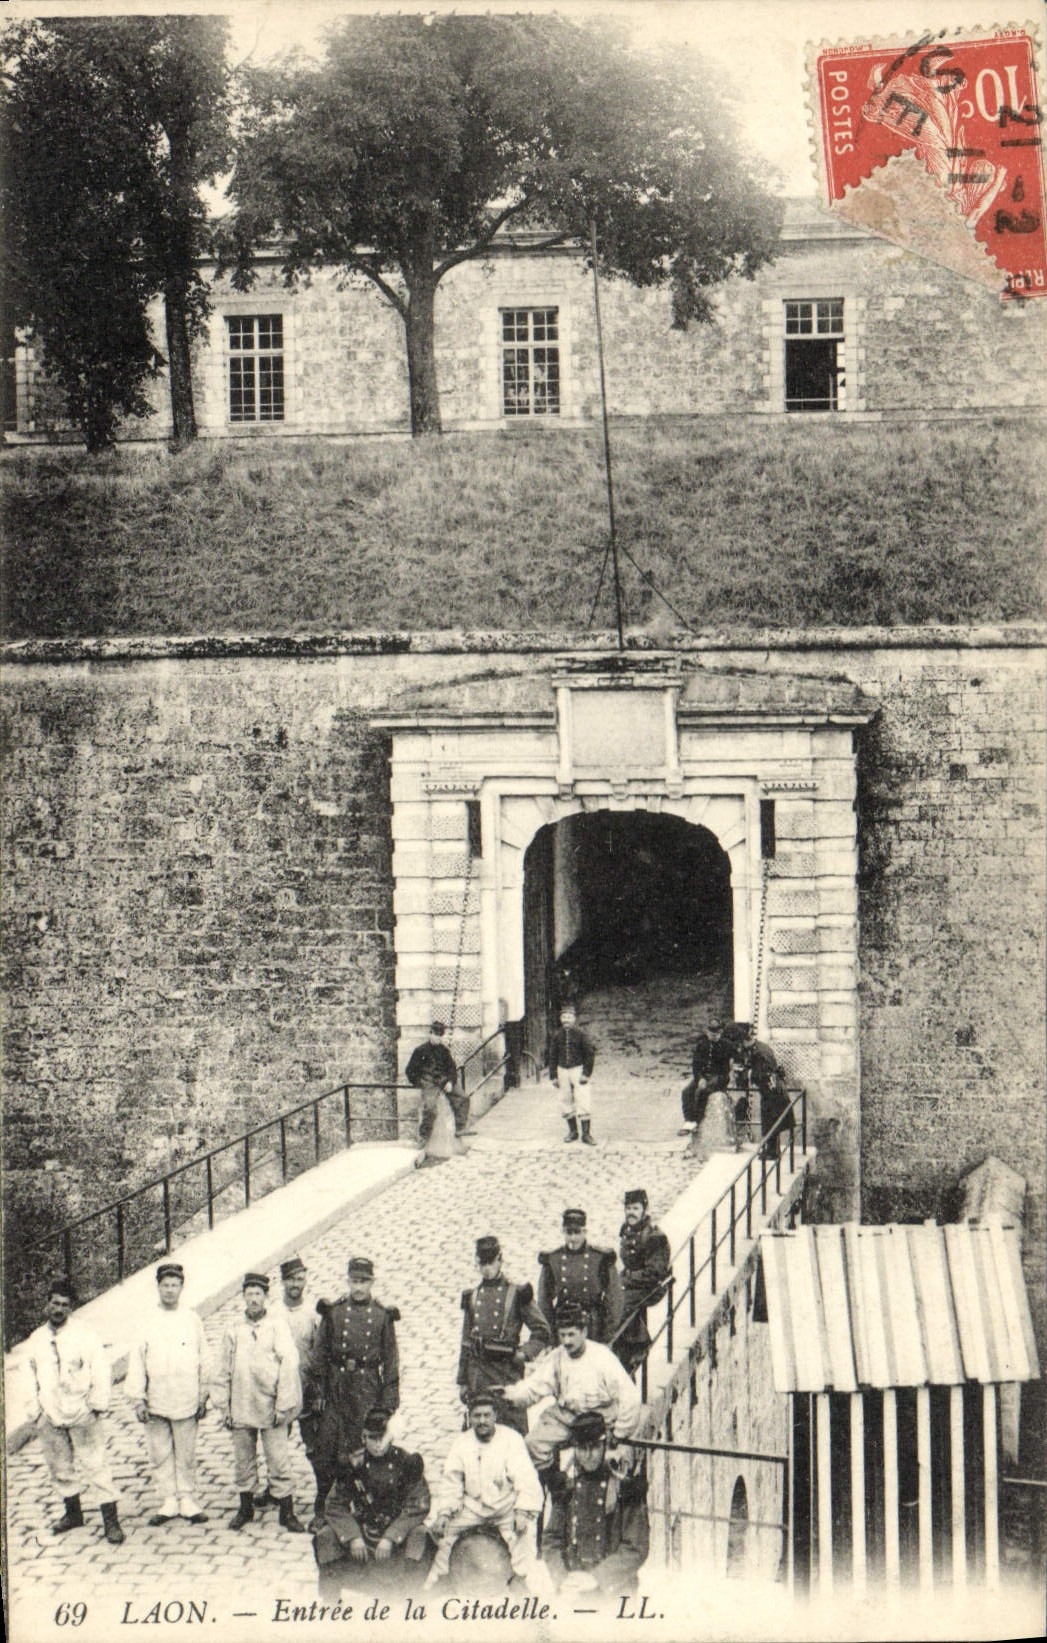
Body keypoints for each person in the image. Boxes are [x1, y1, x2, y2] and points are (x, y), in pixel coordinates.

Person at [24, 1278, 126, 1545]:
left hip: (81, 1412)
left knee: (96, 1464)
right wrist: (36, 1413)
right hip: (51, 1413)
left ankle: (111, 1521)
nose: (59, 1309)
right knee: (60, 1466)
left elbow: (101, 1371)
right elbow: (28, 1378)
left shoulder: (84, 1335)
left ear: (71, 1308)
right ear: (46, 1304)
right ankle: (73, 1513)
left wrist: (96, 1404)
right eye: (55, 1303)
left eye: (65, 1305)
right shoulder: (36, 1339)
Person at [497, 1302, 643, 1476]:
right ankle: (557, 1488)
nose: (567, 1341)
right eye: (563, 1335)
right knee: (533, 1444)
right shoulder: (557, 1358)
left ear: (584, 1332)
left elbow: (631, 1397)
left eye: (572, 1335)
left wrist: (619, 1434)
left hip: (601, 1419)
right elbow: (535, 1386)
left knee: (610, 1462)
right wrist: (510, 1395)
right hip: (568, 1417)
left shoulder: (603, 1358)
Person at [424, 1391, 548, 1592]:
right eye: (477, 1416)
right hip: (472, 1508)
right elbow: (452, 1481)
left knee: (524, 1536)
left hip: (505, 1507)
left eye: (486, 1415)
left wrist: (522, 1511)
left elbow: (526, 1479)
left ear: (495, 1416)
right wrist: (445, 1513)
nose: (482, 1421)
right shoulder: (461, 1443)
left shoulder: (511, 1440)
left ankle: (522, 1582)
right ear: (469, 1418)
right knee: (444, 1533)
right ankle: (441, 1580)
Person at [213, 1271, 305, 1533]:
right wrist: (224, 1406)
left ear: (266, 1297)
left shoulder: (277, 1327)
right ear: (243, 1296)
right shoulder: (234, 1329)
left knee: (278, 1459)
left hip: (270, 1405)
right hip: (242, 1403)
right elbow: (222, 1369)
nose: (253, 1299)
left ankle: (287, 1511)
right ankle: (245, 1508)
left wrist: (284, 1404)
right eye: (249, 1294)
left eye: (258, 1294)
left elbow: (289, 1364)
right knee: (243, 1459)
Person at [311, 1256, 400, 1527]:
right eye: (354, 1281)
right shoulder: (334, 1312)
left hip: (366, 1388)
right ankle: (323, 1505)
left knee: (361, 1449)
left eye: (363, 1281)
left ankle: (362, 1503)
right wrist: (319, 1391)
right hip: (337, 1387)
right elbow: (320, 1356)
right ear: (347, 1281)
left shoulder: (382, 1316)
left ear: (372, 1282)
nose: (358, 1287)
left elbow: (391, 1359)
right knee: (326, 1449)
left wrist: (388, 1401)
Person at [312, 1407, 431, 1598]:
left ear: (391, 1437)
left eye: (382, 1438)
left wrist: (392, 1536)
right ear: (363, 1437)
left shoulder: (406, 1463)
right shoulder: (353, 1465)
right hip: (363, 1532)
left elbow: (419, 1505)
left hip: (396, 1531)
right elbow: (334, 1505)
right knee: (326, 1536)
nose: (378, 1445)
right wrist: (352, 1536)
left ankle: (409, 1599)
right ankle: (330, 1605)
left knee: (421, 1536)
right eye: (372, 1438)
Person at [125, 1261, 209, 1526]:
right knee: (160, 1451)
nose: (170, 1290)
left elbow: (204, 1358)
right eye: (165, 1285)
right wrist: (138, 1398)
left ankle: (186, 1497)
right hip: (157, 1398)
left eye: (175, 1285)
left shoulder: (191, 1319)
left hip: (185, 1397)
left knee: (185, 1451)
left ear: (182, 1288)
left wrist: (203, 1395)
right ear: (158, 1288)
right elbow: (137, 1360)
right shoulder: (147, 1321)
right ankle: (168, 1498)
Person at [542, 1411, 650, 1594]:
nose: (588, 1455)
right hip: (574, 1590)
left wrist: (597, 1578)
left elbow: (636, 1548)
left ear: (604, 1446)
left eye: (594, 1448)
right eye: (582, 1449)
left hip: (614, 1591)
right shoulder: (567, 1492)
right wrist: (561, 1578)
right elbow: (551, 1540)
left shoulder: (625, 1490)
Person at [457, 1235, 552, 1434]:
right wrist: (463, 1381)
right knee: (479, 1433)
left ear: (500, 1260)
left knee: (513, 1432)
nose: (487, 1269)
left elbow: (542, 1331)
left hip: (506, 1373)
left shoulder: (517, 1294)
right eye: (482, 1264)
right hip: (479, 1376)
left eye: (491, 1263)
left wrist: (523, 1354)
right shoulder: (472, 1297)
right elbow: (466, 1342)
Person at [273, 1254, 324, 1510]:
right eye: (291, 1279)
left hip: (306, 1387)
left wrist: (317, 1388)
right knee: (276, 1444)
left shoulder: (313, 1313)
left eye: (300, 1279)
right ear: (282, 1282)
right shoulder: (274, 1313)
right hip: (278, 1390)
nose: (296, 1284)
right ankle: (275, 1489)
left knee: (313, 1444)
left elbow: (320, 1350)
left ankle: (323, 1493)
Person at [537, 1208, 623, 1344]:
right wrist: (549, 1336)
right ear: (563, 1232)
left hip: (593, 1327)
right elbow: (543, 1301)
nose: (573, 1238)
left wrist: (608, 1336)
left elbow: (614, 1298)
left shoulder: (600, 1258)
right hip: (563, 1325)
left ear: (584, 1231)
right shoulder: (553, 1259)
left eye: (577, 1232)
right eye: (568, 1233)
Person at [614, 1190, 671, 1375]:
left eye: (635, 1208)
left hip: (652, 1287)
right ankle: (624, 1348)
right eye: (628, 1208)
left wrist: (626, 1278)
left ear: (644, 1210)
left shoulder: (655, 1237)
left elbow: (653, 1273)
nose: (631, 1212)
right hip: (635, 1282)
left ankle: (638, 1345)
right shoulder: (627, 1232)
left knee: (621, 1303)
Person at [405, 1020, 469, 1157]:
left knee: (463, 1097)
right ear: (430, 1034)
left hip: (443, 1080)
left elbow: (452, 1069)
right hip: (429, 1082)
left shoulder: (444, 1051)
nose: (438, 1038)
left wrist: (450, 1082)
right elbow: (410, 1071)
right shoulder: (420, 1051)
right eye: (435, 1035)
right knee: (430, 1108)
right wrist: (419, 1082)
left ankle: (460, 1128)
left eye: (440, 1036)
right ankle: (424, 1136)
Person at [546, 1004, 597, 1145]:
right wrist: (553, 1076)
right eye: (564, 1017)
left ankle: (586, 1134)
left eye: (569, 1017)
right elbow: (552, 1056)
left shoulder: (581, 1034)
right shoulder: (557, 1035)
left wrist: (586, 1073)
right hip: (562, 1070)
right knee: (565, 1099)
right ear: (560, 1019)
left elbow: (590, 1054)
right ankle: (573, 1132)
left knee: (583, 1098)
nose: (566, 1020)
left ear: (574, 1019)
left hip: (578, 1070)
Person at [678, 1017, 733, 1135]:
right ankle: (689, 1121)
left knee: (702, 1092)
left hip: (719, 1077)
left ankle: (698, 1122)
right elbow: (696, 1065)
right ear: (707, 1032)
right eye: (711, 1033)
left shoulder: (727, 1045)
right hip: (704, 1076)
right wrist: (700, 1078)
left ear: (721, 1032)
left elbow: (737, 1060)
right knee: (686, 1092)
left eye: (716, 1033)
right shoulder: (701, 1045)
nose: (714, 1036)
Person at [744, 1031, 794, 1146]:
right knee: (771, 1122)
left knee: (770, 1121)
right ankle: (771, 1150)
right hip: (773, 1088)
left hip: (771, 1090)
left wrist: (749, 1074)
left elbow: (763, 1073)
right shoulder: (760, 1048)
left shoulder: (759, 1052)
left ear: (745, 1041)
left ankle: (772, 1152)